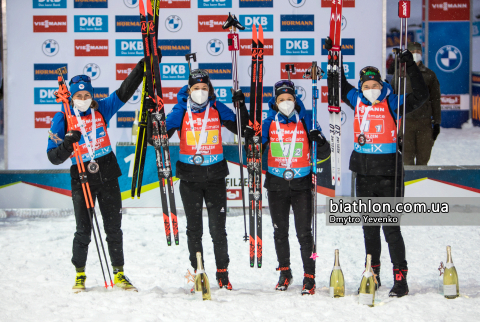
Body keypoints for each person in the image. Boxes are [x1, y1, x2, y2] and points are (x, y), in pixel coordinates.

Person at [326, 38, 429, 297]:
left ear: (382, 85)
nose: (370, 89)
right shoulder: (356, 98)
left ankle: (400, 278)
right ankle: (373, 272)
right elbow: (338, 85)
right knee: (369, 228)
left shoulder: (392, 102)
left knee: (390, 228)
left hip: (389, 172)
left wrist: (410, 67)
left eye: (375, 85)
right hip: (363, 172)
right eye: (366, 85)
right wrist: (333, 57)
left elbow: (421, 96)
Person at [47, 59, 145, 292]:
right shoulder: (63, 117)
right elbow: (53, 156)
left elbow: (125, 90)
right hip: (81, 175)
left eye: (86, 95)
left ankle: (119, 272)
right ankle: (79, 274)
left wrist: (144, 65)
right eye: (78, 96)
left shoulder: (101, 108)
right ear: (71, 97)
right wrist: (68, 144)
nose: (83, 99)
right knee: (83, 229)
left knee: (114, 227)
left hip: (108, 171)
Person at [148, 69, 249, 290]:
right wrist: (152, 117)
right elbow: (157, 139)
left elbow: (243, 130)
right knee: (194, 229)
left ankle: (222, 273)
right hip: (190, 179)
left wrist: (240, 106)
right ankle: (198, 271)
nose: (201, 92)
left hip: (215, 178)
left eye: (204, 88)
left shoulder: (216, 107)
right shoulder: (181, 109)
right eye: (196, 88)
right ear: (189, 90)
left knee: (217, 228)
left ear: (209, 89)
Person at [244, 80, 330, 295]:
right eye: (281, 100)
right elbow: (255, 151)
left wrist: (319, 140)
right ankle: (285, 271)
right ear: (275, 101)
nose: (286, 103)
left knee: (304, 233)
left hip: (301, 184)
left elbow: (325, 153)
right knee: (279, 232)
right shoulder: (269, 122)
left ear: (295, 99)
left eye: (289, 99)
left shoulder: (307, 119)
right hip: (276, 184)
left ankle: (309, 275)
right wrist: (251, 140)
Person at [391, 42, 441, 165]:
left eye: (418, 52)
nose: (416, 55)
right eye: (412, 53)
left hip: (424, 123)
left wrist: (437, 123)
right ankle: (408, 184)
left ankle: (422, 183)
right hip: (405, 122)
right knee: (406, 159)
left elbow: (435, 99)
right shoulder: (399, 74)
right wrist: (393, 123)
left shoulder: (429, 74)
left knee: (423, 158)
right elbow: (392, 98)